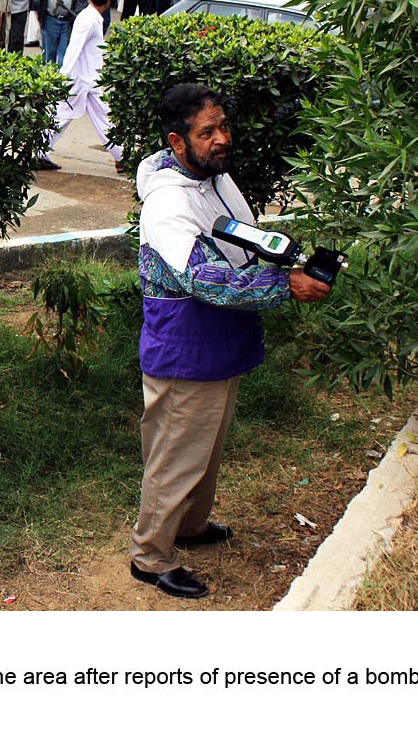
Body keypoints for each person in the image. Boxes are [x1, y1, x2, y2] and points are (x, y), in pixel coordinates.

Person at [130, 84, 332, 598]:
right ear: (178, 142)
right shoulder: (169, 203)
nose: (222, 139)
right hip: (186, 343)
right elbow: (205, 278)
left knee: (205, 448)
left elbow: (242, 240)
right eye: (207, 132)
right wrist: (284, 286)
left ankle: (191, 528)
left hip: (217, 337)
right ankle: (151, 556)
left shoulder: (212, 177)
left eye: (223, 126)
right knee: (176, 454)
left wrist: (287, 262)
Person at [43, 0, 121, 172]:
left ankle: (121, 156)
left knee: (101, 117)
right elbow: (73, 50)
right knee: (61, 117)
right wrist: (64, 78)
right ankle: (37, 152)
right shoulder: (88, 20)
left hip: (89, 80)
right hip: (78, 80)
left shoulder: (91, 18)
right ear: (108, 1)